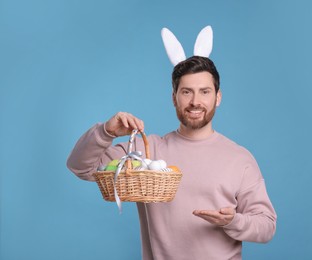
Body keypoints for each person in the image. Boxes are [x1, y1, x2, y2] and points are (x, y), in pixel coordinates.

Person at [67, 26, 276, 260]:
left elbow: (266, 226)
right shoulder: (145, 154)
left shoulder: (239, 158)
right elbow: (80, 167)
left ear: (218, 97)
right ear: (173, 97)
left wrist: (233, 221)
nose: (195, 101)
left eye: (204, 92)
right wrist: (106, 132)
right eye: (186, 92)